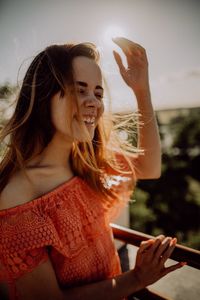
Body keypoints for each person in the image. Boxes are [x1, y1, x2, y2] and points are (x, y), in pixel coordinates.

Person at [0, 37, 186, 300]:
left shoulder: (86, 160)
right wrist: (136, 278)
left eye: (98, 93)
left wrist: (141, 89)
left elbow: (149, 166)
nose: (94, 103)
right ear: (44, 95)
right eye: (80, 90)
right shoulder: (18, 197)